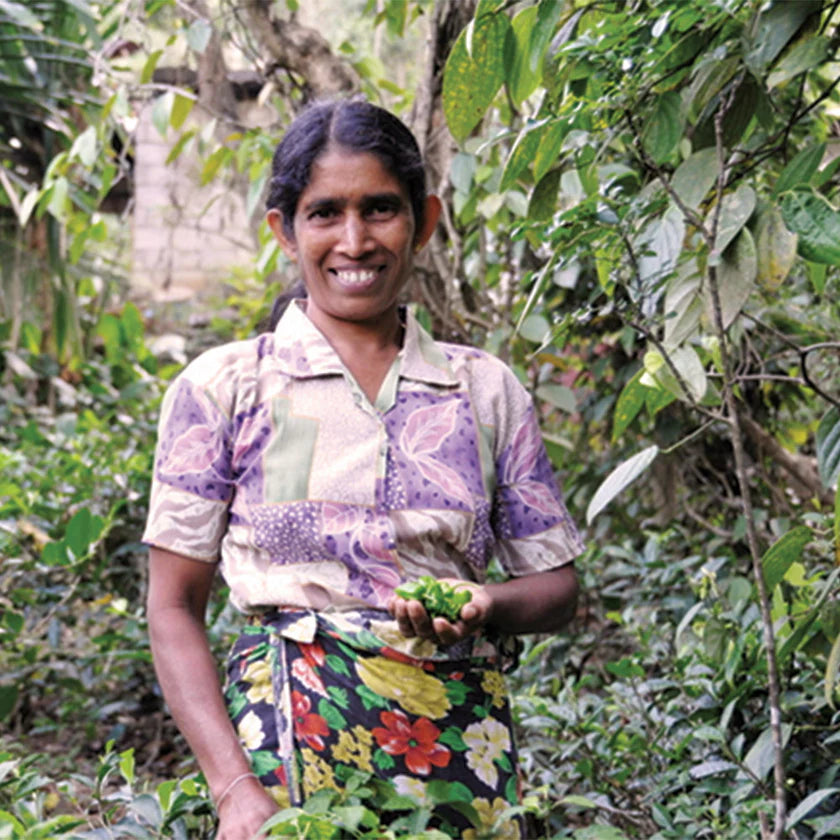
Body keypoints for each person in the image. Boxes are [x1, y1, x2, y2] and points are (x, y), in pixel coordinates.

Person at [144, 98, 583, 840]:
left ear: (425, 219)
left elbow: (559, 587)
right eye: (325, 213)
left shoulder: (483, 391)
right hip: (287, 760)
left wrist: (484, 602)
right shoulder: (228, 388)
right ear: (284, 229)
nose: (355, 240)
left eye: (381, 209)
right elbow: (172, 607)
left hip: (461, 756)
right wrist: (234, 791)